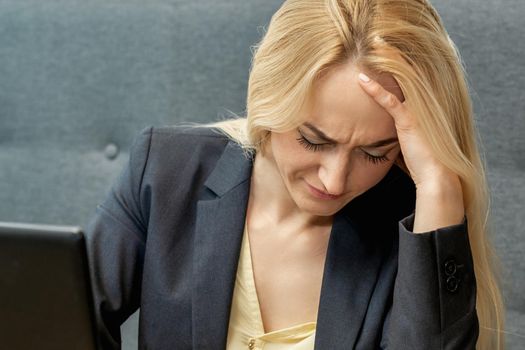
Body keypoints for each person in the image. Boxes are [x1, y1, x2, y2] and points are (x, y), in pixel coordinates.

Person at [85, 0, 505, 349]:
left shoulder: (411, 229)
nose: (335, 180)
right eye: (313, 140)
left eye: (374, 153)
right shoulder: (167, 171)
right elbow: (59, 321)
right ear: (269, 97)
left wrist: (437, 185)